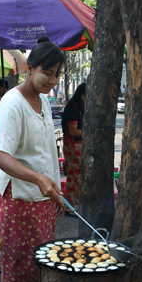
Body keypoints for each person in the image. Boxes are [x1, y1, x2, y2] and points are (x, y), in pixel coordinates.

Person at [0, 37, 65, 282]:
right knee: (18, 263)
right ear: (28, 68)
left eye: (57, 74)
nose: (52, 81)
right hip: (17, 197)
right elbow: (1, 156)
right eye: (46, 73)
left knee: (41, 263)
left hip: (42, 198)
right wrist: (38, 179)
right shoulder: (12, 103)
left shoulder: (45, 100)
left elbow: (46, 151)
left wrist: (55, 189)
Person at [61, 83, 86, 213]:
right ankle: (71, 207)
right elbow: (73, 131)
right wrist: (89, 133)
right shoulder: (73, 108)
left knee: (78, 176)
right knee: (75, 176)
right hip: (72, 146)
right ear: (82, 96)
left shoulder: (79, 108)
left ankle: (74, 205)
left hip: (78, 145)